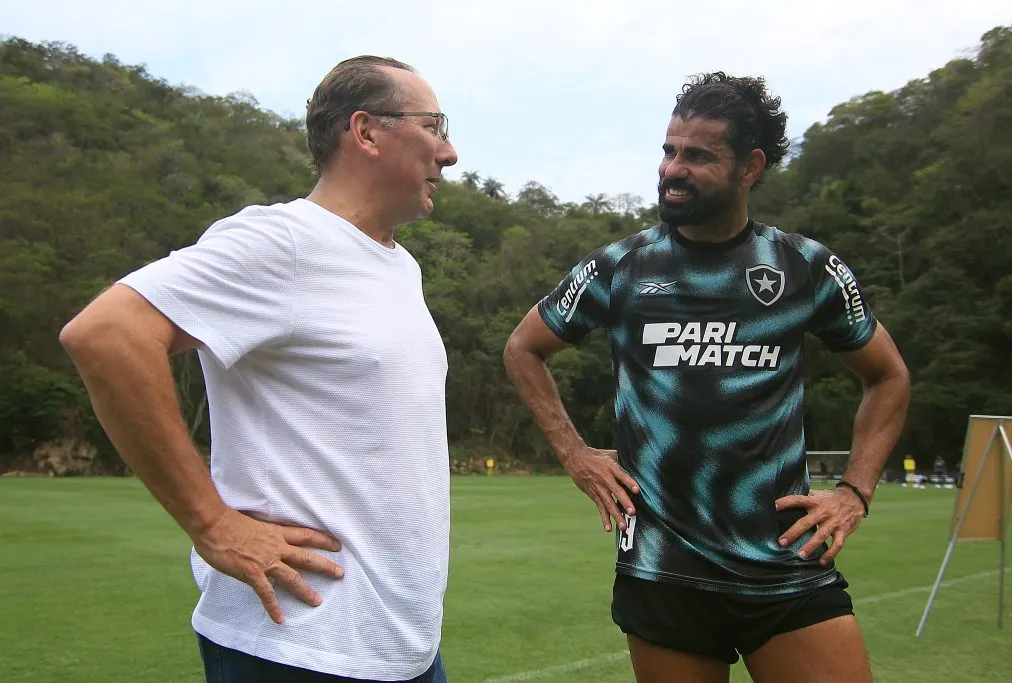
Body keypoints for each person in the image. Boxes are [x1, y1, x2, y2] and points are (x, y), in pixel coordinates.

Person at [60, 56, 457, 682]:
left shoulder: (399, 267)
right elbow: (107, 334)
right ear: (367, 132)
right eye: (435, 127)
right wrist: (212, 523)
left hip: (401, 649)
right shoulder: (285, 241)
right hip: (298, 649)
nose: (450, 152)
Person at [503, 72, 911, 683]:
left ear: (750, 166)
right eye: (669, 151)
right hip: (664, 569)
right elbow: (523, 348)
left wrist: (853, 492)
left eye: (697, 156)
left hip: (785, 563)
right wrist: (574, 453)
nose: (672, 168)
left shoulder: (804, 267)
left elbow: (888, 376)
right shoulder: (621, 267)